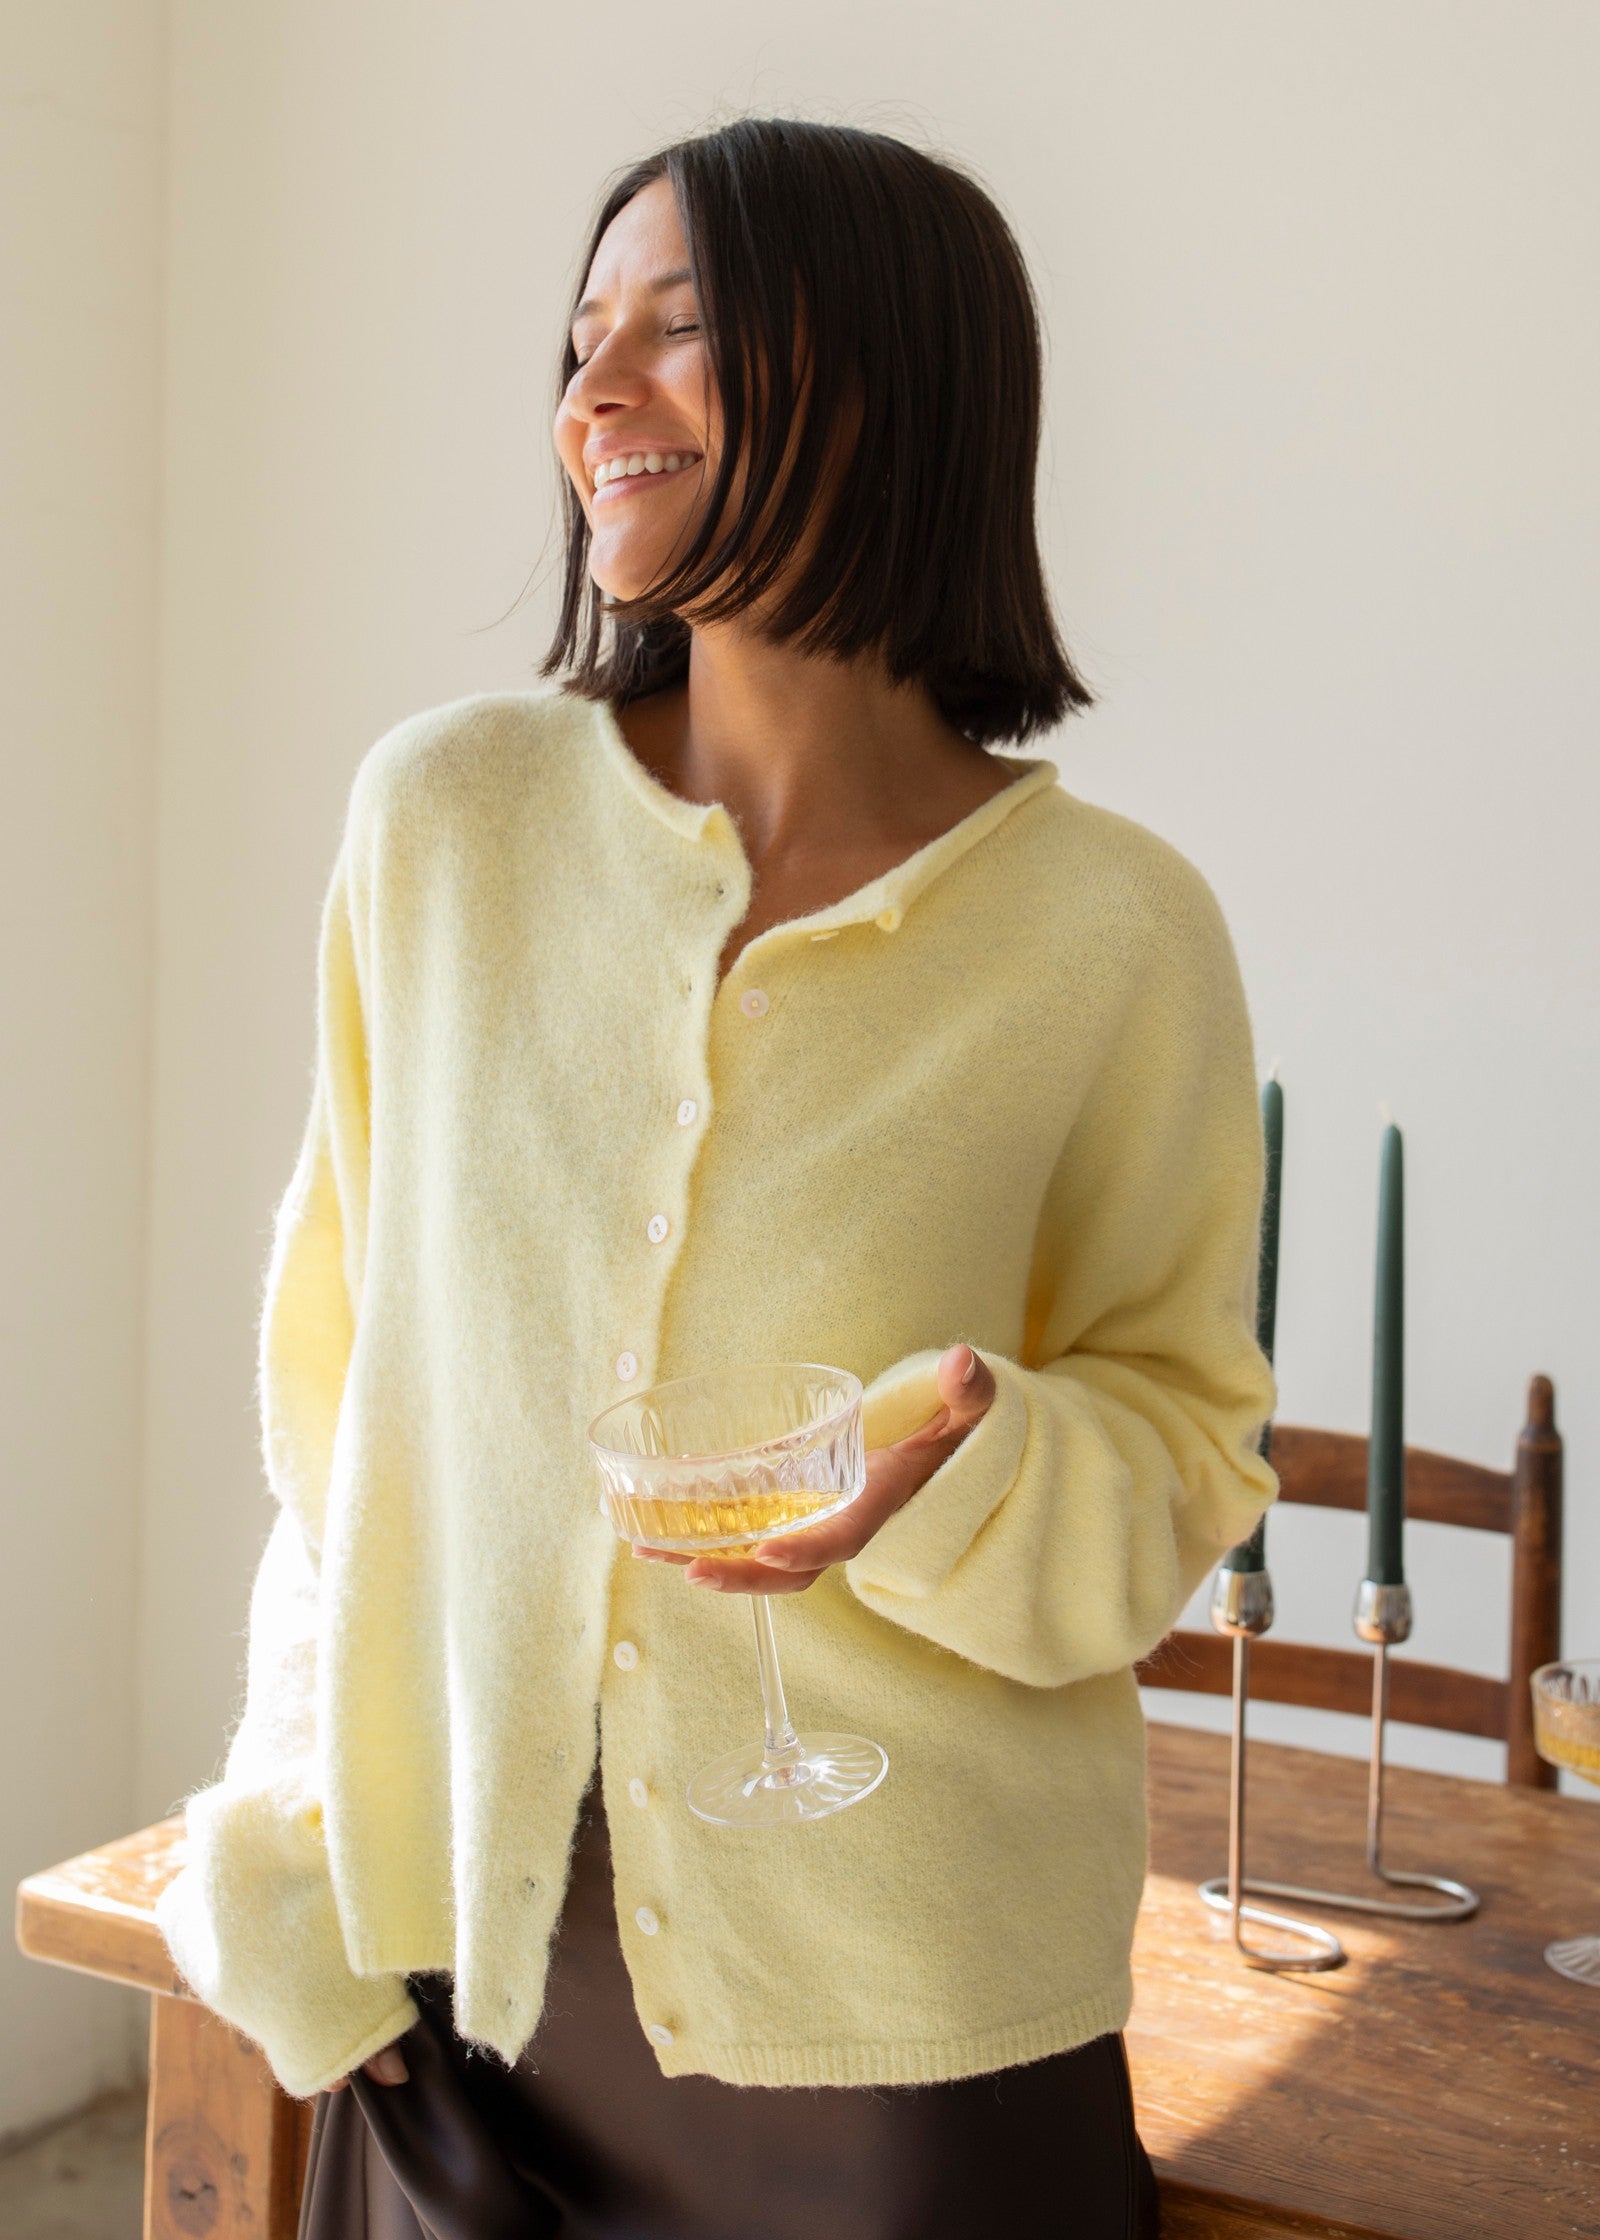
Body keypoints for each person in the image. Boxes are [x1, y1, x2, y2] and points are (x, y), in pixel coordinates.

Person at [155, 115, 1278, 2240]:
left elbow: (1177, 1446)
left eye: (681, 333)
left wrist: (950, 1466)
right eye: (580, 342)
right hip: (472, 2003)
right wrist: (294, 1875)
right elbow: (342, 1420)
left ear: (890, 384)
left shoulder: (1114, 933)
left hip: (911, 2031)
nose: (592, 398)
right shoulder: (445, 829)